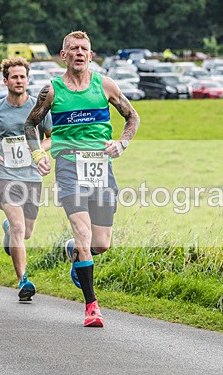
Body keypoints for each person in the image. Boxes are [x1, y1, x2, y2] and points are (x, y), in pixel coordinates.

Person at [24, 31, 140, 327]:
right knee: (83, 233)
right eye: (72, 48)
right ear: (63, 55)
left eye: (83, 49)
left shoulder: (106, 85)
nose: (78, 52)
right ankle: (92, 306)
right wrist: (39, 155)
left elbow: (132, 117)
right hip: (68, 167)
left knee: (100, 244)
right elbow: (30, 125)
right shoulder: (52, 90)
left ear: (91, 55)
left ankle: (73, 251)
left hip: (101, 169)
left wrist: (121, 144)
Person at [0, 57, 52, 301]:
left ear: (28, 80)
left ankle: (8, 229)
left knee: (26, 231)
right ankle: (23, 281)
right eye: (14, 77)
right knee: (20, 227)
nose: (19, 80)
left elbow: (51, 136)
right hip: (5, 175)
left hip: (31, 175)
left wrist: (41, 153)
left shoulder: (38, 108)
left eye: (23, 77)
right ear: (5, 81)